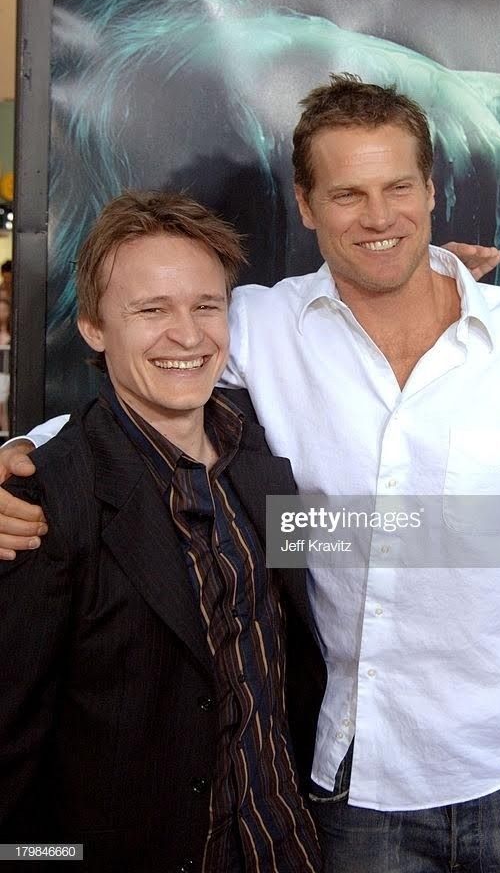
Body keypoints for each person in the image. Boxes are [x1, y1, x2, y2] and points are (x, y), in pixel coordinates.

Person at [2, 76, 500, 873]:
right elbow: (143, 385)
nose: (379, 216)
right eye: (348, 193)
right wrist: (18, 461)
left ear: (431, 189)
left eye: (398, 187)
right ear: (305, 204)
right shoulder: (258, 321)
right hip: (350, 792)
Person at [0, 192, 321, 873]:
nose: (188, 335)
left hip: (286, 849)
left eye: (206, 307)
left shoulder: (263, 455)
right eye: (151, 311)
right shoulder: (43, 502)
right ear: (92, 326)